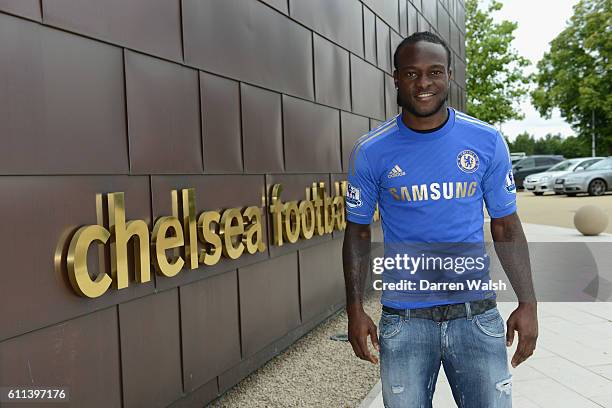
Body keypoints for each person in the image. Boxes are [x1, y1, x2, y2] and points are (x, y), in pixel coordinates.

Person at [342, 31, 538, 408]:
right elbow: (358, 232)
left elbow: (505, 225)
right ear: (395, 78)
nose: (423, 83)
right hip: (404, 321)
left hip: (476, 317)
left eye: (434, 71)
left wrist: (528, 303)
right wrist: (354, 310)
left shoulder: (485, 140)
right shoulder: (371, 151)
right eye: (411, 74)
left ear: (448, 75)